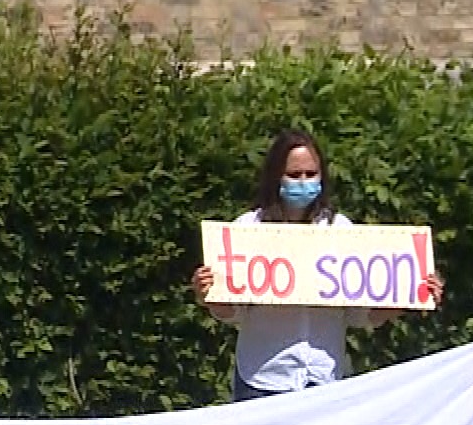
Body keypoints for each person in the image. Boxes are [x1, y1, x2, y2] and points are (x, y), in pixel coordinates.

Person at [189, 129, 443, 400]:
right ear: (276, 177)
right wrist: (208, 296)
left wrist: (407, 295)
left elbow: (359, 315)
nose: (304, 182)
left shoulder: (340, 229)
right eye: (294, 175)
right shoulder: (248, 228)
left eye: (311, 174)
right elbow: (234, 312)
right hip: (263, 377)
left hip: (324, 380)